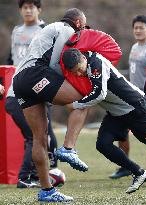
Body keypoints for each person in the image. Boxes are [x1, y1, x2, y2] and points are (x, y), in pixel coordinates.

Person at [60, 47, 146, 200]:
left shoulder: (96, 62)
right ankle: (138, 172)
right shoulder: (84, 64)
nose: (79, 74)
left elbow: (100, 93)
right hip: (116, 113)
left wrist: (75, 105)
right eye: (75, 73)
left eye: (79, 69)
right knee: (102, 144)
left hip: (136, 107)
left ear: (83, 59)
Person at [12, 8, 89, 203]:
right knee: (86, 97)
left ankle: (47, 191)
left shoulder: (49, 28)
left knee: (40, 138)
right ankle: (68, 148)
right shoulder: (65, 29)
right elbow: (55, 63)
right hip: (35, 74)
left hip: (19, 80)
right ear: (78, 23)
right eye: (83, 26)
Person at [5, 0, 58, 188]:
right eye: (24, 7)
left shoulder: (46, 30)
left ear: (39, 10)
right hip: (20, 89)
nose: (28, 10)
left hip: (38, 88)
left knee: (46, 135)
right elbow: (11, 59)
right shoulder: (16, 31)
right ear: (20, 10)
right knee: (38, 136)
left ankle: (47, 172)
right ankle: (28, 176)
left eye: (31, 7)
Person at [110, 14, 146, 179]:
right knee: (121, 131)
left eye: (141, 27)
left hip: (143, 99)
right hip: (129, 96)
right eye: (136, 28)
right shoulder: (134, 47)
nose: (138, 30)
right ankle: (124, 166)